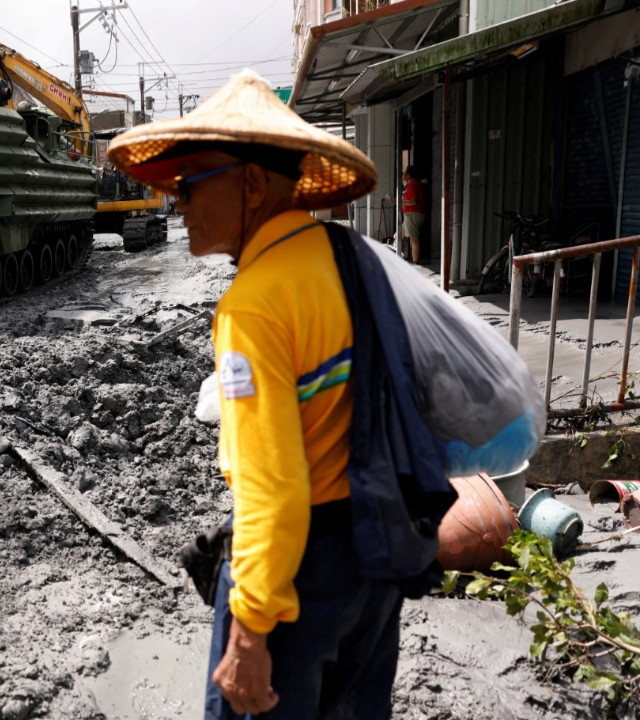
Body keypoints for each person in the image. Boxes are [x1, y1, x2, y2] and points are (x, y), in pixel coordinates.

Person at [107, 70, 401, 720]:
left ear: (250, 184)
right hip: (377, 554)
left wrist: (250, 629)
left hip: (301, 570)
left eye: (189, 183)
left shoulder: (255, 304)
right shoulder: (351, 260)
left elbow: (274, 487)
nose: (177, 203)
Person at [401, 168, 426, 263]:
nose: (402, 175)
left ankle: (416, 263)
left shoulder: (412, 184)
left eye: (404, 173)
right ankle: (399, 257)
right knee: (398, 235)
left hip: (412, 214)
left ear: (408, 175)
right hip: (411, 214)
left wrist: (400, 201)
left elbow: (413, 201)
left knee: (414, 240)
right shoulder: (411, 185)